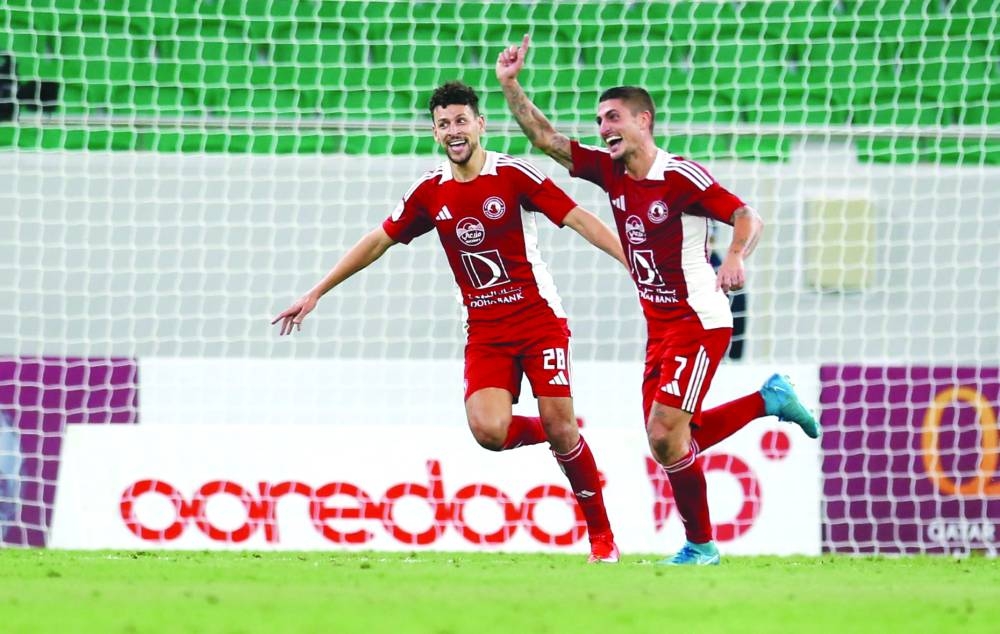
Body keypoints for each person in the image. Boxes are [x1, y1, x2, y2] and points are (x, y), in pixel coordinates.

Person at [496, 36, 821, 565]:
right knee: (668, 439)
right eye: (600, 120)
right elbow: (547, 139)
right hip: (659, 326)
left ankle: (702, 545)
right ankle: (769, 400)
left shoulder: (680, 177)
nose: (604, 129)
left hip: (700, 320)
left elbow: (747, 216)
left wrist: (736, 256)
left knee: (665, 433)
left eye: (613, 117)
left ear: (644, 120)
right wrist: (511, 85)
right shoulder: (609, 171)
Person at [272, 81, 627, 563]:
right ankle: (557, 429)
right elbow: (378, 240)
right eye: (444, 124)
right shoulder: (429, 191)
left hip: (539, 320)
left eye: (461, 121)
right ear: (435, 132)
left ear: (480, 124)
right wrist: (316, 291)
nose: (454, 131)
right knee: (489, 432)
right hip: (485, 332)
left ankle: (602, 538)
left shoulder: (515, 174)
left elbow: (579, 217)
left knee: (564, 432)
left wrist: (630, 258)